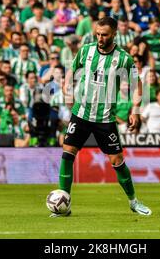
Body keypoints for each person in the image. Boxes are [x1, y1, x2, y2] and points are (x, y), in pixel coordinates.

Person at [57, 17, 151, 217]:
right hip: (81, 114)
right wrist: (67, 91)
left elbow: (137, 85)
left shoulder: (124, 58)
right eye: (97, 34)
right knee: (67, 153)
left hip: (106, 119)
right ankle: (63, 203)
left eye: (104, 35)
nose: (100, 38)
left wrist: (135, 110)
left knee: (117, 160)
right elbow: (70, 73)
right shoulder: (85, 50)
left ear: (114, 34)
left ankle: (134, 202)